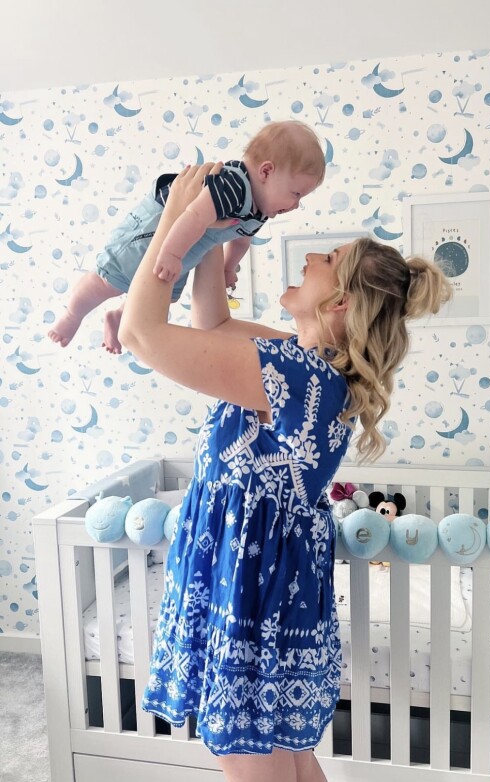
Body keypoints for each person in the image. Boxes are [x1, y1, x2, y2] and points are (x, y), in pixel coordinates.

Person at [118, 162, 452, 782]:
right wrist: (211, 241)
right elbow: (213, 327)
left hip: (249, 576)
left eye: (329, 257)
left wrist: (173, 226)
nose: (313, 257)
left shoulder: (294, 374)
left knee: (250, 753)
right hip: (265, 570)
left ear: (340, 301)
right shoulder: (305, 367)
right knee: (283, 753)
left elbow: (141, 333)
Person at [48, 120, 325, 353]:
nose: (295, 205)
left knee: (161, 297)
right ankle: (72, 314)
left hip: (188, 247)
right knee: (109, 280)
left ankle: (119, 315)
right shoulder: (234, 185)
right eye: (296, 193)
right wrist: (171, 254)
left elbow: (241, 240)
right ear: (266, 171)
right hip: (155, 230)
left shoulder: (260, 211)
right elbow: (193, 215)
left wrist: (228, 267)